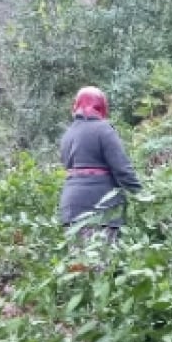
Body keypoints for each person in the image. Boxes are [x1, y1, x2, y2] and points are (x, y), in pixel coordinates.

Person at [59, 86, 142, 241]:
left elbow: (66, 165)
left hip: (71, 207)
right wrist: (142, 194)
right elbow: (122, 169)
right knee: (102, 260)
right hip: (101, 206)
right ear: (101, 107)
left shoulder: (67, 134)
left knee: (79, 262)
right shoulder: (103, 130)